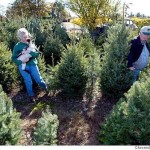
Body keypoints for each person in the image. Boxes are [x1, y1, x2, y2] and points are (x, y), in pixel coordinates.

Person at [11, 28, 47, 103]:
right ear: (20, 37)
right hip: (23, 66)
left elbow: (36, 53)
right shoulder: (17, 46)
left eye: (26, 36)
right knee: (28, 81)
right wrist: (21, 61)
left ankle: (46, 89)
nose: (26, 38)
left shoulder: (30, 43)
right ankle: (31, 96)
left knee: (38, 79)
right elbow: (13, 58)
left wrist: (30, 54)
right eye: (24, 37)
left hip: (33, 64)